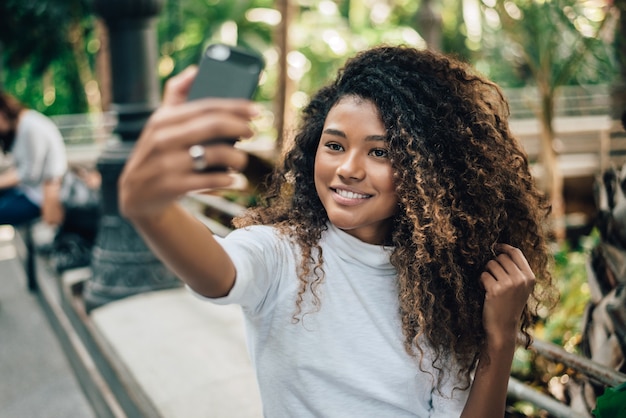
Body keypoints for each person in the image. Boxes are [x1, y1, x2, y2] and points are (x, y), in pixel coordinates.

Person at [119, 45, 556, 417]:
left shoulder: (448, 286)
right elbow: (218, 273)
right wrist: (151, 209)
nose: (348, 169)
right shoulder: (284, 254)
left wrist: (500, 339)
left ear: (431, 171)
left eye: (380, 152)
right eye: (334, 145)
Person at [0, 91, 67, 226]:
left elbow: (30, 174)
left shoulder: (29, 127)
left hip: (41, 196)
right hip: (30, 190)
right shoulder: (23, 125)